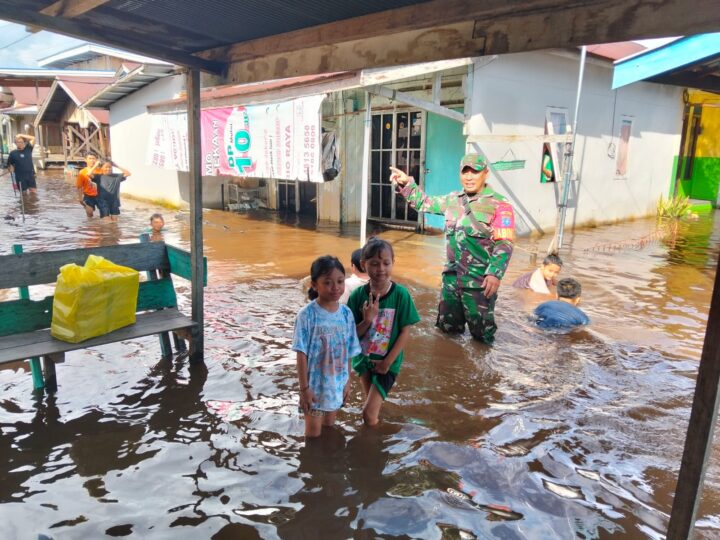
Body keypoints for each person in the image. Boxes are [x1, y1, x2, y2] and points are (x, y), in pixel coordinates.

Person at [390, 153, 515, 344]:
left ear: (486, 174)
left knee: (482, 338)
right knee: (446, 335)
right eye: (465, 172)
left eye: (475, 172)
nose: (469, 177)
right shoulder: (453, 200)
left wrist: (495, 274)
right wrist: (407, 183)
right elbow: (424, 203)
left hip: (479, 284)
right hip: (451, 281)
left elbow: (504, 243)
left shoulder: (500, 205)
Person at [347, 237, 420, 427]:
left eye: (386, 263)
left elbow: (405, 332)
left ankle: (375, 448)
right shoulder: (357, 296)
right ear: (363, 265)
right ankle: (380, 430)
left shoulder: (400, 295)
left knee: (368, 414)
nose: (381, 269)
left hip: (388, 362)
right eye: (374, 264)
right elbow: (350, 335)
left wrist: (387, 362)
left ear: (393, 263)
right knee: (371, 405)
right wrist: (367, 320)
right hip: (363, 360)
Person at [293, 255, 362, 438]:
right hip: (314, 388)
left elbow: (348, 351)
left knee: (330, 428)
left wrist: (347, 382)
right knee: (313, 435)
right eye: (328, 282)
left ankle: (329, 463)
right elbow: (301, 354)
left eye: (340, 281)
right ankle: (314, 465)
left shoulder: (346, 314)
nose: (336, 287)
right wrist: (304, 389)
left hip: (337, 385)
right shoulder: (306, 315)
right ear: (315, 285)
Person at [76, 153, 98, 217]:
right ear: (85, 160)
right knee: (90, 213)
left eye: (93, 159)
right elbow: (79, 186)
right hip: (88, 195)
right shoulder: (82, 172)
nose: (92, 160)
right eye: (90, 159)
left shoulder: (100, 170)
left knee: (104, 213)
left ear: (96, 160)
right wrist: (80, 198)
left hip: (100, 195)